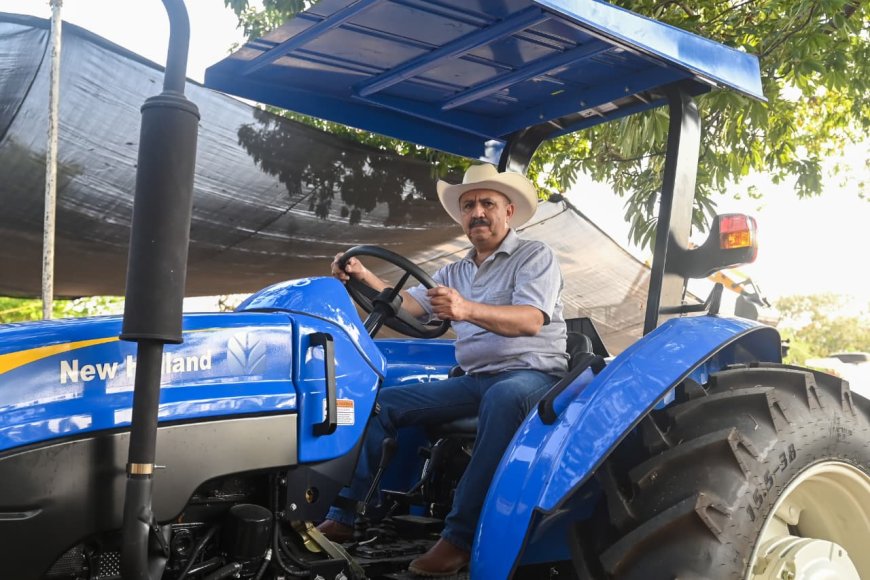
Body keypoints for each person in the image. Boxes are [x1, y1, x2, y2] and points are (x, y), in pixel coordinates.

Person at [319, 163, 568, 577]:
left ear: (508, 211)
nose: (477, 212)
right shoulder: (454, 270)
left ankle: (460, 538)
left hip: (532, 376)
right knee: (381, 403)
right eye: (469, 205)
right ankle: (348, 515)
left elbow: (530, 320)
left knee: (504, 398)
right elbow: (408, 304)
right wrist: (360, 276)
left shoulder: (535, 256)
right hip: (475, 380)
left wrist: (465, 308)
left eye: (488, 203)